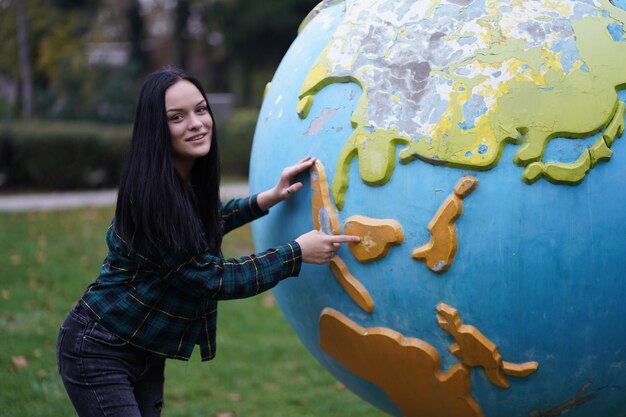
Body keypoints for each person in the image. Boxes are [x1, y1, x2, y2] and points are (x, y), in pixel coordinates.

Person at [56, 66, 360, 417]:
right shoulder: (152, 196)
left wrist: (268, 198)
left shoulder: (182, 177)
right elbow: (211, 277)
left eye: (201, 110)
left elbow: (207, 221)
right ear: (156, 128)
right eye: (177, 117)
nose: (197, 123)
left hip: (143, 347)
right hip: (98, 349)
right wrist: (295, 253)